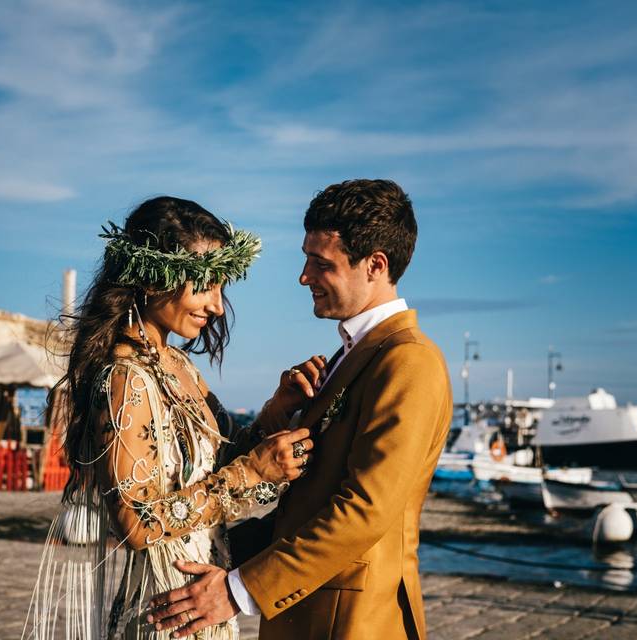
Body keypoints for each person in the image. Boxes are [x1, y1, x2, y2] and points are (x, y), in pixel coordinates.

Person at [148, 179, 453, 639]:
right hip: (307, 615)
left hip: (353, 623)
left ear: (375, 265)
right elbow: (304, 504)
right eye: (306, 258)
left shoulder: (410, 361)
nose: (304, 276)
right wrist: (203, 547)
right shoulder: (349, 357)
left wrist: (235, 591)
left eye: (320, 263)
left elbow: (365, 510)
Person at [22, 196, 317, 640]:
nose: (218, 306)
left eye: (222, 287)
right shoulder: (124, 379)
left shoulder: (180, 366)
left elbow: (216, 462)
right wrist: (252, 473)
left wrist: (276, 410)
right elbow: (137, 523)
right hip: (164, 612)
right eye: (204, 284)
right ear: (152, 275)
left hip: (203, 604)